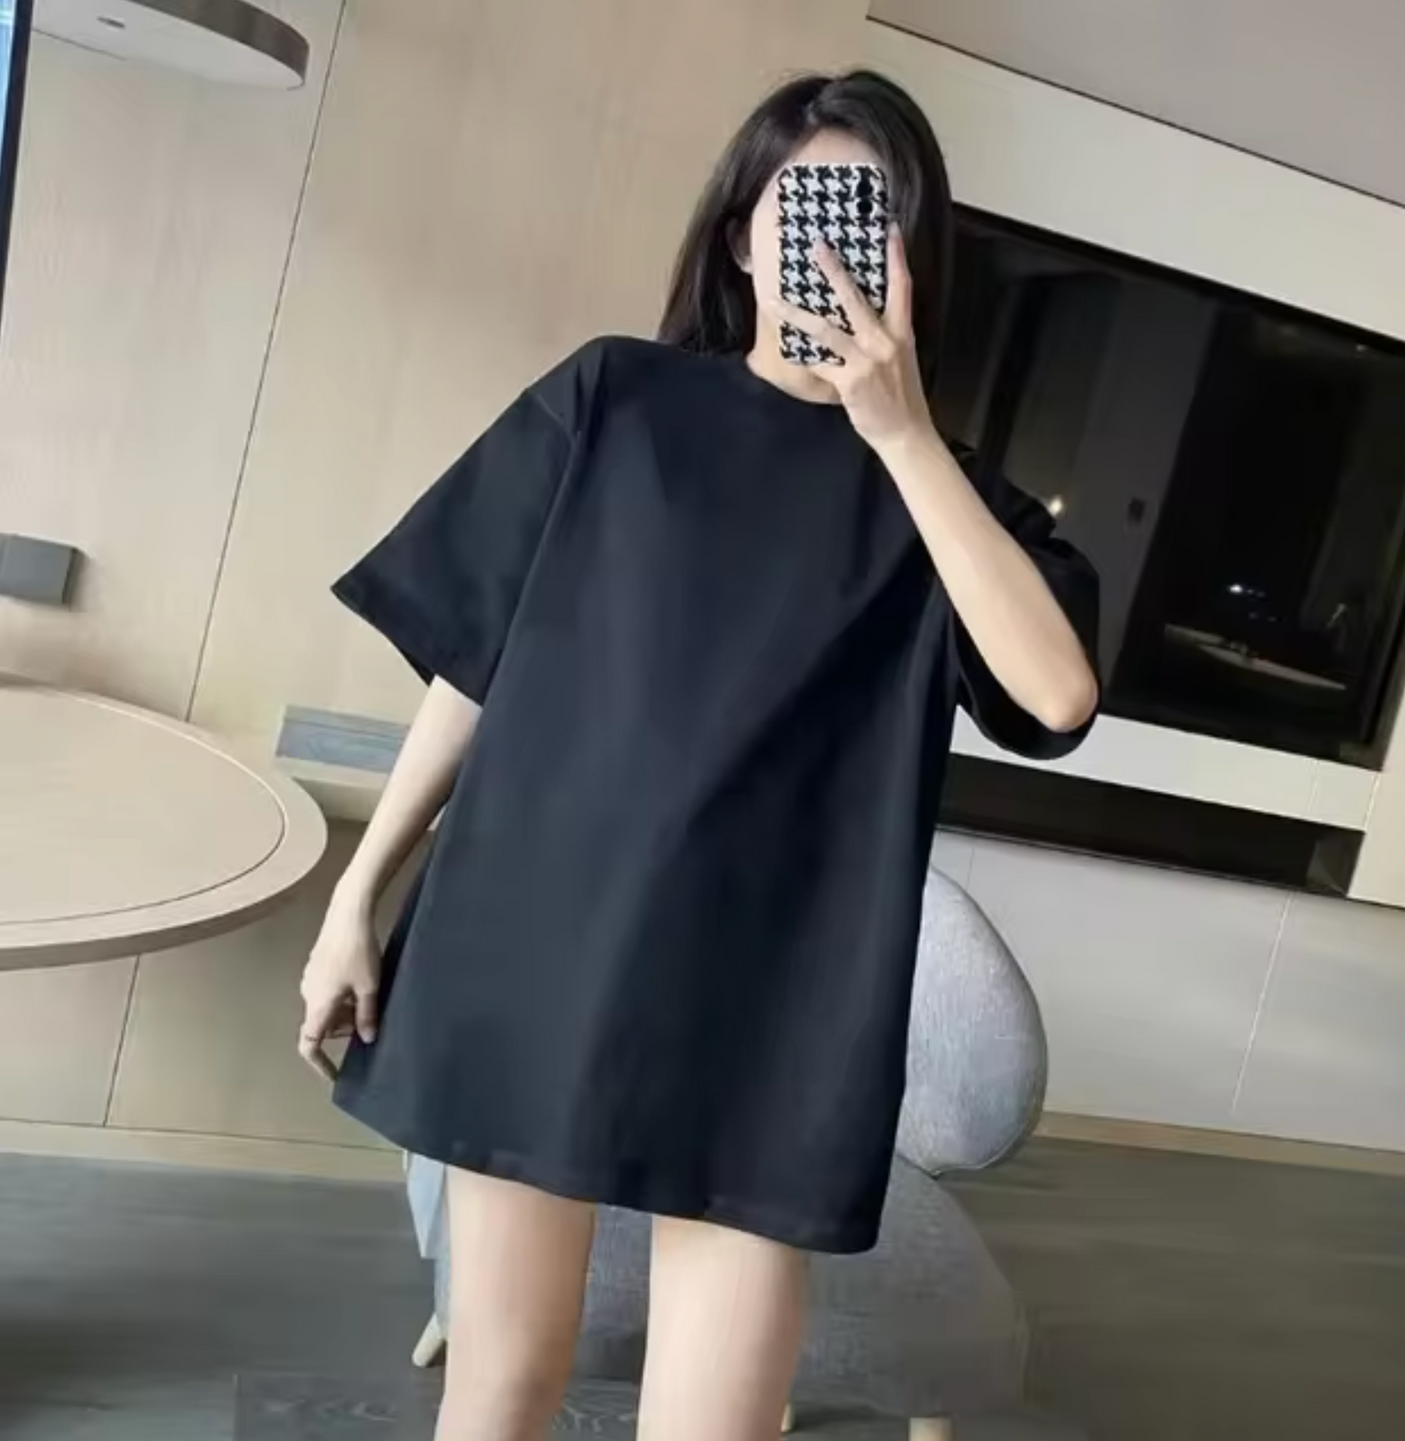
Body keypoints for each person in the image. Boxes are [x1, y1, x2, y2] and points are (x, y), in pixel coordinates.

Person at [299, 69, 1099, 1441]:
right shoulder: (614, 397)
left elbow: (1058, 694)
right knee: (499, 1387)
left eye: (873, 219)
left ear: (915, 259)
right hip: (536, 944)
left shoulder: (952, 503)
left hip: (772, 1008)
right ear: (741, 237)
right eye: (806, 208)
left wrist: (903, 435)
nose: (835, 249)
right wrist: (356, 896)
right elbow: (474, 663)